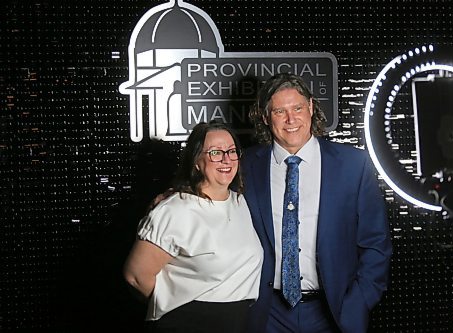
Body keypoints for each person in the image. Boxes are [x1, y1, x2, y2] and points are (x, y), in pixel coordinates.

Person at [242, 73, 392, 333]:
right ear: (266, 117)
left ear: (311, 107)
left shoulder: (353, 165)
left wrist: (358, 302)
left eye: (298, 108)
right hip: (268, 314)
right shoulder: (244, 166)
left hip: (333, 312)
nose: (291, 120)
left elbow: (376, 243)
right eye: (280, 111)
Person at [123, 121, 263, 333]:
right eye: (215, 152)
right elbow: (135, 276)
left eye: (232, 151)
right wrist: (178, 307)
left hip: (237, 322)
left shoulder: (239, 202)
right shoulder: (175, 209)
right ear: (197, 160)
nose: (226, 159)